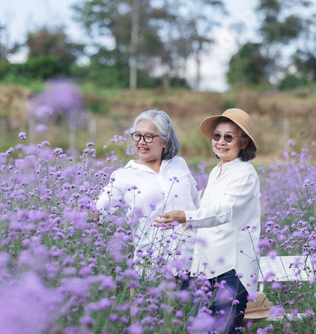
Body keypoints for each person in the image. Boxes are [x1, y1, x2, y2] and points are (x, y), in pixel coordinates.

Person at [155, 108, 261, 333]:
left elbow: (224, 211)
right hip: (209, 268)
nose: (221, 142)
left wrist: (185, 216)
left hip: (233, 269)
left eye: (229, 137)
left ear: (243, 143)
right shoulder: (217, 171)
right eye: (217, 136)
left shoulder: (245, 173)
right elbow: (205, 204)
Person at [95, 109, 200, 281]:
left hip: (190, 267)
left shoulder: (179, 165)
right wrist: (86, 213)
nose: (141, 142)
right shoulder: (123, 176)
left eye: (149, 136)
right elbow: (100, 210)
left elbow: (196, 201)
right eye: (137, 135)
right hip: (151, 271)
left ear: (165, 141)